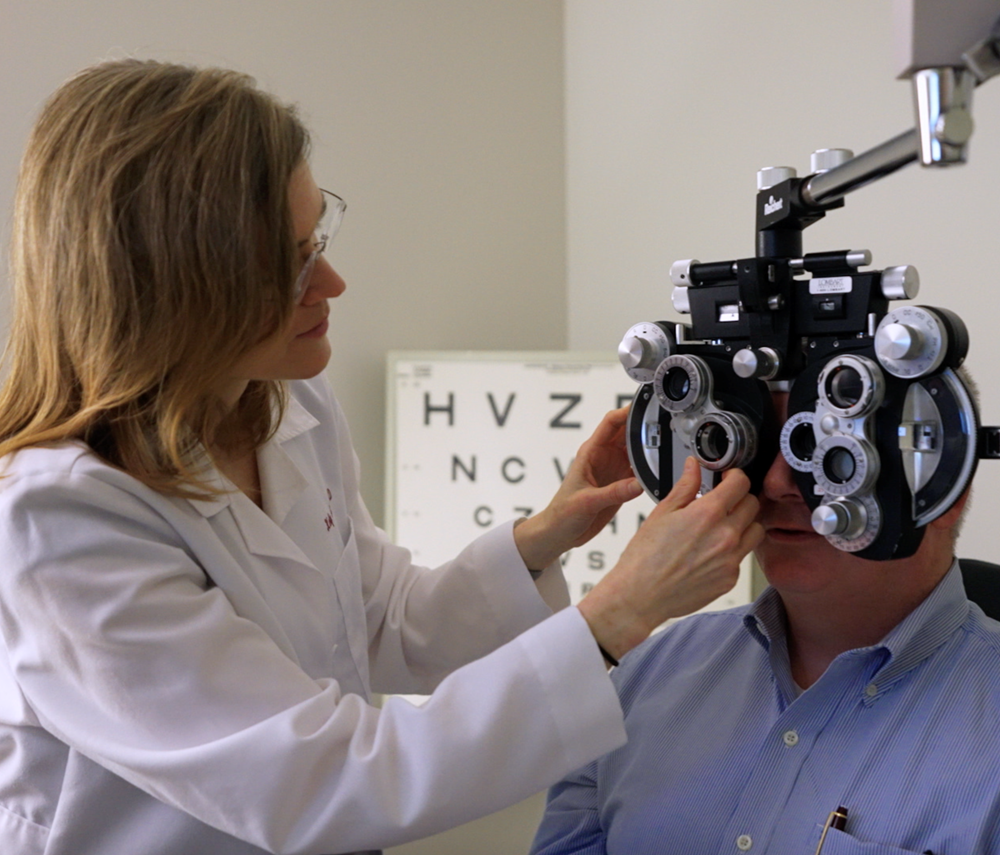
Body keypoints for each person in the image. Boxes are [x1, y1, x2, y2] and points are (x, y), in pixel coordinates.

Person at [0, 60, 764, 855]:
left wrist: (544, 536)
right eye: (288, 264)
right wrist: (618, 613)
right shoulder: (59, 520)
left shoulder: (284, 400)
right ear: (178, 286)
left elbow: (376, 623)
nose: (331, 280)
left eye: (316, 238)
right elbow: (324, 781)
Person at [530, 388, 1000, 855]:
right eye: (759, 446)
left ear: (943, 487)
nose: (775, 482)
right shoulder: (644, 677)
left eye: (829, 451)